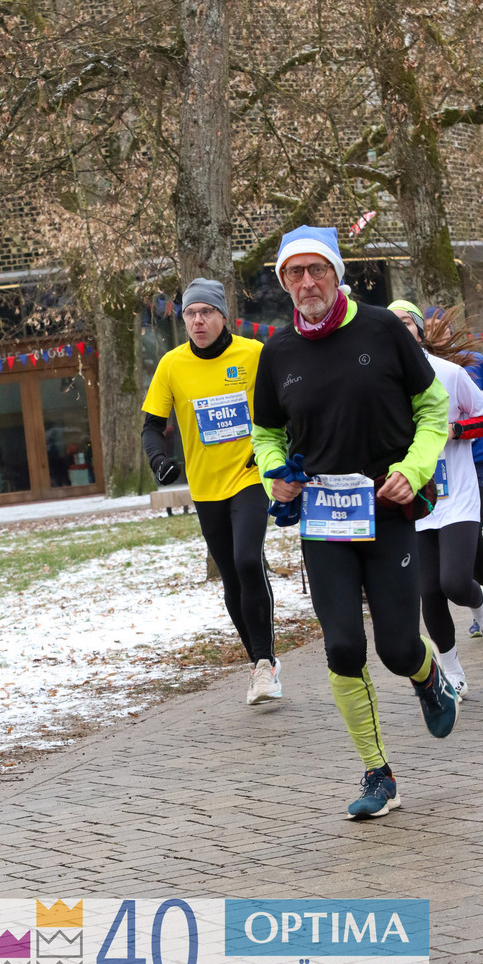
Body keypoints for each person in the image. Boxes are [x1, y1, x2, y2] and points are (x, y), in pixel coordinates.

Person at [251, 225, 456, 821]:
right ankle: (378, 773)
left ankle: (427, 675)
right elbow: (266, 433)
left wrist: (414, 470)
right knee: (342, 646)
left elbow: (433, 408)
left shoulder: (382, 328)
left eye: (316, 269)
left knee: (397, 647)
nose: (307, 282)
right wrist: (273, 475)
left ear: (336, 274)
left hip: (387, 509)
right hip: (323, 520)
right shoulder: (277, 353)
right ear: (284, 283)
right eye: (294, 273)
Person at [141, 277, 281, 705]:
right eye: (190, 313)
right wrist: (159, 461)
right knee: (231, 577)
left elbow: (285, 406)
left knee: (247, 559)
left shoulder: (254, 354)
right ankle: (259, 661)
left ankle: (264, 663)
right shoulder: (172, 365)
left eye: (206, 312)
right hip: (205, 487)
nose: (198, 321)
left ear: (223, 315)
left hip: (250, 476)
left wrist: (277, 450)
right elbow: (151, 426)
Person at [389, 302, 483, 699]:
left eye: (405, 323)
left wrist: (456, 430)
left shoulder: (449, 373)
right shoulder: (381, 384)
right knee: (430, 591)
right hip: (416, 498)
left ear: (419, 331)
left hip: (457, 492)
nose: (399, 330)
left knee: (455, 581)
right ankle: (453, 672)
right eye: (391, 324)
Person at [423, 306, 483, 638]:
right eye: (430, 326)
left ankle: (481, 605)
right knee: (438, 564)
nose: (436, 331)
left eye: (441, 325)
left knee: (474, 530)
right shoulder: (416, 368)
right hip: (437, 470)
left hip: (479, 459)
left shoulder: (472, 361)